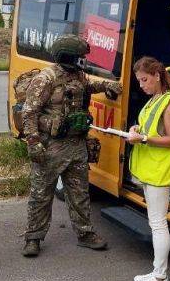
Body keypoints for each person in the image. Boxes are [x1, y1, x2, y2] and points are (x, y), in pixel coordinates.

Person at [21, 35, 122, 257]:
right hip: (51, 146)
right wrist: (34, 142)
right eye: (79, 57)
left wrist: (108, 85)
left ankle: (85, 234)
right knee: (41, 194)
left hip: (76, 144)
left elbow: (90, 85)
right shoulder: (45, 79)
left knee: (79, 192)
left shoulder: (78, 76)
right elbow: (29, 112)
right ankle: (33, 238)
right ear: (68, 57)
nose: (82, 61)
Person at [125, 56, 170, 281]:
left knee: (159, 224)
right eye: (139, 81)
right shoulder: (155, 100)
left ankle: (160, 278)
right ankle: (156, 271)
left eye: (144, 80)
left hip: (161, 171)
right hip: (152, 170)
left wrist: (143, 138)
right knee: (155, 222)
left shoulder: (169, 103)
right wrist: (137, 129)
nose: (141, 85)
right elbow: (150, 127)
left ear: (157, 76)